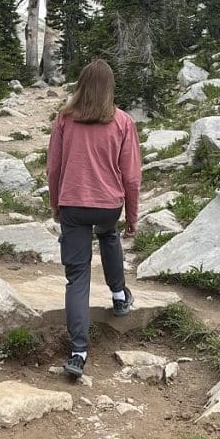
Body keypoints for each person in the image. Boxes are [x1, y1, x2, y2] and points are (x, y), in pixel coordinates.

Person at [46, 59, 141, 380]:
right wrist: (132, 215)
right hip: (108, 206)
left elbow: (54, 168)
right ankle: (118, 296)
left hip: (73, 203)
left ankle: (78, 352)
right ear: (110, 88)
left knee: (77, 279)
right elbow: (131, 177)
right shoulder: (123, 122)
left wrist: (55, 204)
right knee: (109, 235)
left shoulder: (65, 119)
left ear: (81, 85)